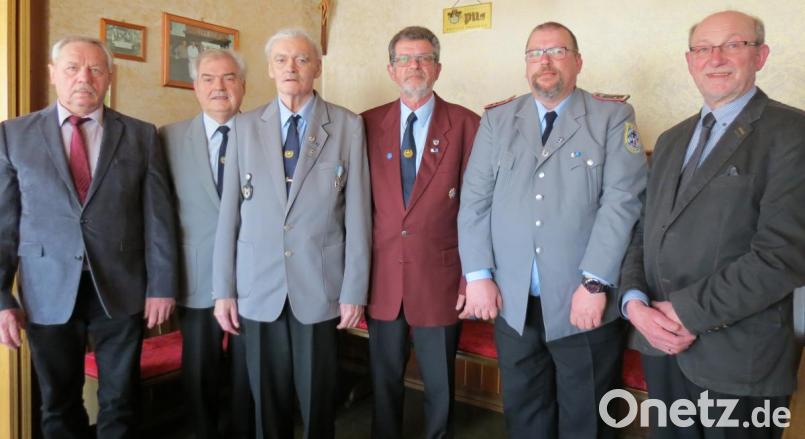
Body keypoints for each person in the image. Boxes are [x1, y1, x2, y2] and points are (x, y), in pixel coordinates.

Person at [619, 10, 805, 438]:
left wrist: (684, 311)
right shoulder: (670, 140)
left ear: (761, 56)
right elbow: (642, 234)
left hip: (738, 361)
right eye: (703, 48)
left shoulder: (791, 133)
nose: (715, 58)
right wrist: (633, 303)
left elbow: (783, 256)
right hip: (660, 350)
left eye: (733, 45)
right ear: (690, 61)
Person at [457, 21, 647, 438]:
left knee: (586, 419)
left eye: (557, 51)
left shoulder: (611, 116)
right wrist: (478, 276)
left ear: (577, 61)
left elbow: (623, 202)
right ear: (525, 65)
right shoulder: (498, 119)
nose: (544, 61)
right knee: (524, 414)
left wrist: (595, 283)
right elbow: (474, 202)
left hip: (583, 303)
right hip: (512, 302)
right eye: (535, 53)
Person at [0, 36, 177, 438]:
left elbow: (158, 219)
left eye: (96, 69)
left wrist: (161, 287)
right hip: (46, 289)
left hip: (121, 286)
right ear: (52, 75)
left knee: (121, 401)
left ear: (109, 77)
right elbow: (3, 224)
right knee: (58, 403)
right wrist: (1, 298)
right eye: (73, 68)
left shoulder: (140, 135)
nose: (85, 77)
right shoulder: (13, 135)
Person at [212, 28, 371, 439]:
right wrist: (223, 290)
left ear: (317, 67)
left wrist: (354, 290)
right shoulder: (245, 126)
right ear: (269, 69)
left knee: (319, 399)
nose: (291, 67)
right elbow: (229, 215)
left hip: (319, 285)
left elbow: (357, 214)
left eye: (301, 59)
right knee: (268, 401)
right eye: (281, 59)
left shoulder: (347, 126)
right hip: (257, 285)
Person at [362, 26, 480, 439]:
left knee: (439, 383)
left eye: (424, 58)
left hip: (442, 277)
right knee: (383, 378)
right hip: (383, 279)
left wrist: (472, 277)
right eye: (405, 59)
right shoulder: (366, 125)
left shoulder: (467, 125)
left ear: (438, 67)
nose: (414, 66)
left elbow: (477, 211)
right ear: (391, 70)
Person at [159, 48, 254, 439]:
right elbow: (158, 212)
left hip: (253, 277)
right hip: (195, 275)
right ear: (195, 87)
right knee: (199, 372)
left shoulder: (265, 132)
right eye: (209, 79)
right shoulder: (167, 137)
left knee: (248, 373)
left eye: (229, 78)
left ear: (243, 86)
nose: (220, 87)